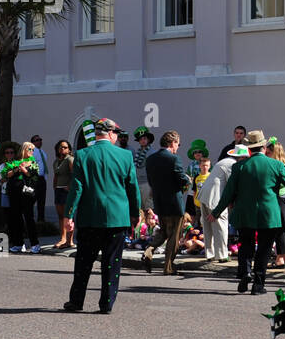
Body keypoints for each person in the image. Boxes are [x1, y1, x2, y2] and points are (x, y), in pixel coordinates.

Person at [215, 130, 285, 295]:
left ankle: (246, 273)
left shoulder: (239, 166)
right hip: (268, 213)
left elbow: (228, 193)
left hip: (245, 213)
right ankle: (258, 284)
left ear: (249, 148)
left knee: (245, 245)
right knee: (264, 248)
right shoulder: (275, 165)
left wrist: (217, 211)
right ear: (263, 146)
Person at [63, 118, 139, 314]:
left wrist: (69, 215)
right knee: (112, 263)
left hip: (90, 217)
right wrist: (134, 214)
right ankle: (106, 303)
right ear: (111, 133)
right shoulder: (125, 156)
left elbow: (77, 188)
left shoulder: (82, 154)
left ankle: (76, 301)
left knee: (83, 262)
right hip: (117, 216)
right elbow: (132, 188)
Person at [142, 130, 192, 275]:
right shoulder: (174, 159)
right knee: (174, 236)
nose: (178, 146)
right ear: (172, 143)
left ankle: (149, 250)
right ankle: (168, 267)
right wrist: (187, 180)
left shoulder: (151, 159)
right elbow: (180, 178)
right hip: (174, 203)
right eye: (178, 143)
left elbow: (151, 181)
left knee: (163, 232)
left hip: (159, 202)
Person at [52, 139, 76, 249]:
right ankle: (63, 238)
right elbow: (56, 176)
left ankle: (70, 241)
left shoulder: (70, 159)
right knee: (60, 216)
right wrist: (54, 187)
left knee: (68, 216)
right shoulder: (56, 161)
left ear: (69, 149)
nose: (63, 149)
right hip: (58, 190)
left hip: (67, 191)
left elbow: (75, 174)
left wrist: (70, 186)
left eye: (65, 147)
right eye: (61, 147)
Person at [132, 126, 156, 212]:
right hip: (138, 182)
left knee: (149, 208)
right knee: (140, 208)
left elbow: (154, 171)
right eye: (140, 139)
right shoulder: (137, 153)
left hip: (147, 183)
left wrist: (153, 187)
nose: (143, 141)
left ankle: (151, 225)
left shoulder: (152, 152)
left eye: (144, 138)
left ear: (148, 139)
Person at [29, 134, 50, 223]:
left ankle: (41, 220)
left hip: (42, 179)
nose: (39, 141)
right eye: (37, 140)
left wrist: (45, 178)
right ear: (32, 143)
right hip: (35, 178)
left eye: (40, 139)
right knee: (32, 200)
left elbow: (44, 166)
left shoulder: (43, 153)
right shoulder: (32, 152)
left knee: (42, 201)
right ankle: (30, 219)